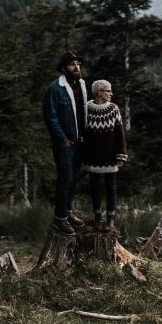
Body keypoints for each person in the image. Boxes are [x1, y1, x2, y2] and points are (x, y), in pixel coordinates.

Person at [43, 51, 87, 235]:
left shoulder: (82, 85)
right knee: (65, 178)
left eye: (78, 64)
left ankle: (68, 212)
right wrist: (61, 139)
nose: (76, 67)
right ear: (63, 68)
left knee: (74, 178)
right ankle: (59, 219)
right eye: (72, 64)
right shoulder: (55, 88)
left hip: (79, 142)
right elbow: (50, 117)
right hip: (65, 144)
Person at [83, 79, 128, 232]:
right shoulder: (87, 108)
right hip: (92, 157)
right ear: (99, 93)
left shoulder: (113, 109)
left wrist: (121, 155)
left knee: (110, 188)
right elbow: (83, 134)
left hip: (110, 158)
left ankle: (110, 218)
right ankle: (97, 216)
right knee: (94, 188)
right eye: (108, 91)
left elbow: (120, 134)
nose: (111, 93)